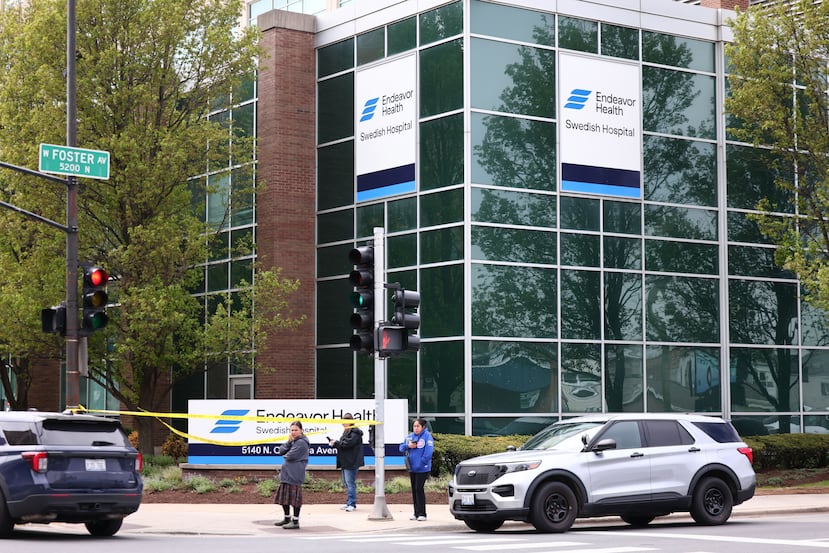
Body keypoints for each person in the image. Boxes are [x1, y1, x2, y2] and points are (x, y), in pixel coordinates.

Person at [273, 420, 310, 529]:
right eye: (292, 430)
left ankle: (295, 521)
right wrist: (289, 443)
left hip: (295, 474)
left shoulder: (302, 443)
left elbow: (289, 456)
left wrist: (286, 454)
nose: (293, 432)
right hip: (286, 474)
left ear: (301, 431)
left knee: (295, 499)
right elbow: (281, 451)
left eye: (296, 430)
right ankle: (287, 518)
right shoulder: (293, 441)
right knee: (284, 498)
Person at [399, 417, 434, 521]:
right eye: (414, 426)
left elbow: (428, 453)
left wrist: (422, 462)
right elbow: (401, 448)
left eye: (418, 426)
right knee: (414, 490)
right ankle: (416, 513)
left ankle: (422, 513)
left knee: (419, 489)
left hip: (422, 468)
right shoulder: (410, 436)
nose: (416, 428)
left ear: (423, 427)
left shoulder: (427, 437)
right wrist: (407, 445)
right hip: (412, 468)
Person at [329, 412, 365, 512]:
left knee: (350, 483)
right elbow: (343, 444)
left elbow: (347, 444)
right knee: (347, 483)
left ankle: (352, 504)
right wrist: (336, 443)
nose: (342, 424)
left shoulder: (354, 433)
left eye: (344, 422)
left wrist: (336, 443)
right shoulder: (347, 432)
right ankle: (349, 502)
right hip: (345, 461)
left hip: (351, 462)